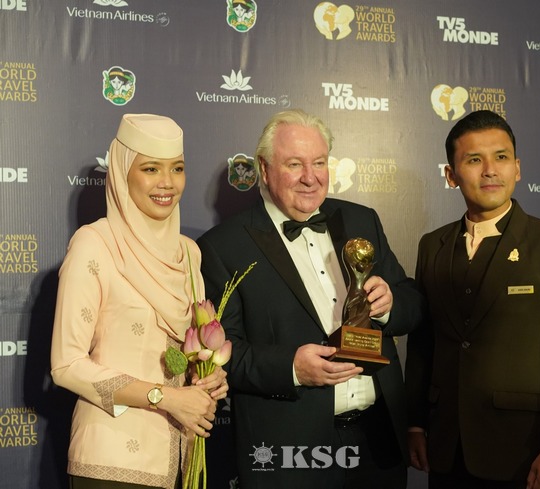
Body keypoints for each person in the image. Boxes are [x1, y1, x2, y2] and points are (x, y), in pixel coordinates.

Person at [197, 109, 423, 488]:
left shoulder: (362, 220)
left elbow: (413, 305)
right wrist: (292, 369)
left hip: (378, 442)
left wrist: (389, 305)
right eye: (294, 164)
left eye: (319, 162)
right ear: (264, 169)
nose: (310, 176)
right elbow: (222, 355)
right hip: (290, 450)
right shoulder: (223, 247)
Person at [405, 110, 540, 489]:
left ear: (518, 168)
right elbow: (423, 343)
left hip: (524, 452)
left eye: (501, 157)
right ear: (451, 175)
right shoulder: (432, 246)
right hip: (446, 448)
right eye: (474, 160)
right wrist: (415, 423)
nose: (490, 170)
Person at [51, 113, 228, 489]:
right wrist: (165, 398)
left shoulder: (189, 253)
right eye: (150, 169)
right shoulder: (95, 244)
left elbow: (190, 348)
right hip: (111, 461)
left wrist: (207, 376)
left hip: (180, 460)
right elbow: (66, 365)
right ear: (121, 172)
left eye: (177, 168)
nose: (167, 183)